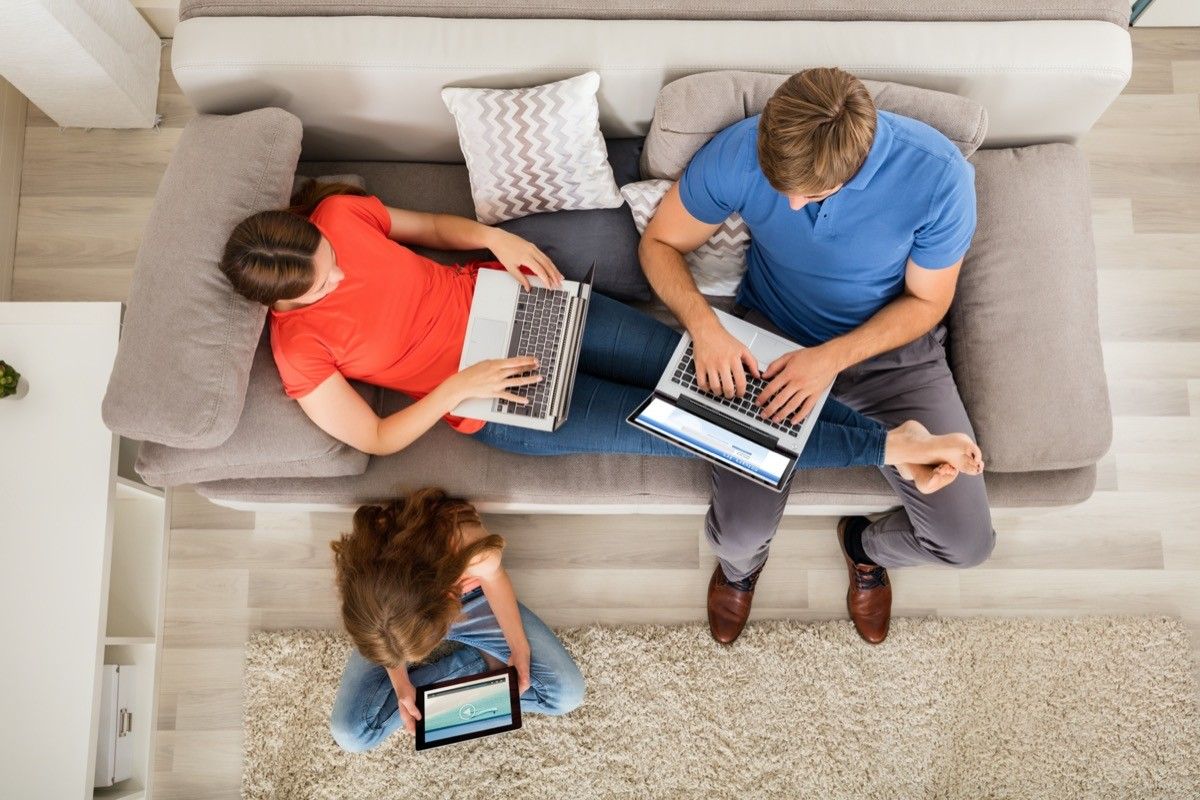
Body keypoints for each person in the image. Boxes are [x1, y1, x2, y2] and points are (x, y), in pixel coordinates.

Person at [217, 181, 981, 500]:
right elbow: (378, 437)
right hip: (498, 398)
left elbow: (431, 230)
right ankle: (888, 448)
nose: (335, 275)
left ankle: (893, 439)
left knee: (705, 379)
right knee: (694, 431)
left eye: (327, 262)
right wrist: (456, 386)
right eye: (319, 286)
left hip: (526, 306)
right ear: (280, 307)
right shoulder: (299, 351)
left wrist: (492, 239)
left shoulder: (339, 220)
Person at [639, 66, 996, 646]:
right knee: (735, 536)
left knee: (967, 545)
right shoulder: (743, 148)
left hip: (889, 354)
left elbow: (928, 300)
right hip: (771, 343)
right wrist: (705, 327)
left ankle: (863, 546)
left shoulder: (939, 177)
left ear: (858, 166)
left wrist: (830, 359)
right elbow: (658, 243)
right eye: (781, 188)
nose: (793, 204)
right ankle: (741, 572)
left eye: (812, 193)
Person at [328, 487, 585, 752]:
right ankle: (483, 664)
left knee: (566, 695)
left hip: (473, 601)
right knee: (350, 736)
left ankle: (482, 665)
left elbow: (494, 578)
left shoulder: (469, 547)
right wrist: (400, 681)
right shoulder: (367, 566)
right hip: (394, 614)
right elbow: (385, 631)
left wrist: (519, 647)